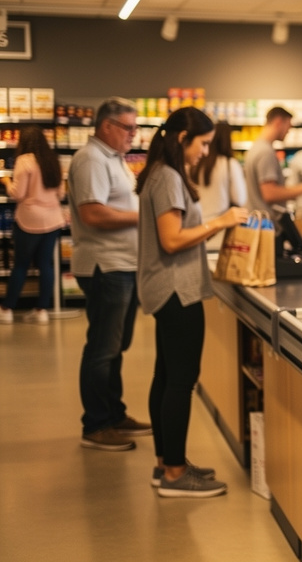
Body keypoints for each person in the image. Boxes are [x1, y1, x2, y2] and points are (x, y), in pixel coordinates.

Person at [136, 107, 248, 497]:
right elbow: (171, 239)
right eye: (202, 143)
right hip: (175, 289)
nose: (205, 151)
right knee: (181, 382)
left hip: (166, 287)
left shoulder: (160, 173)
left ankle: (166, 462)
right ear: (183, 137)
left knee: (165, 376)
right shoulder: (167, 176)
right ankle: (174, 474)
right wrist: (221, 221)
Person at [68, 97, 152, 451]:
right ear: (106, 126)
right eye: (128, 128)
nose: (134, 135)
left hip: (124, 264)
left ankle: (114, 414)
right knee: (103, 348)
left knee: (117, 346)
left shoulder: (114, 159)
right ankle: (96, 425)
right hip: (107, 266)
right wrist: (145, 218)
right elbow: (93, 214)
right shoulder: (90, 160)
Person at [0, 126, 65, 324]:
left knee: (21, 264)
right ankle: (42, 310)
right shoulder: (53, 160)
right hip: (53, 218)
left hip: (29, 220)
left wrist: (6, 181)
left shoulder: (24, 160)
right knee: (46, 264)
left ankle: (7, 309)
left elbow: (18, 194)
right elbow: (61, 194)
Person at [243, 106, 302, 216]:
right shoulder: (265, 152)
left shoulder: (256, 147)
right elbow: (270, 194)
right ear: (279, 122)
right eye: (288, 126)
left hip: (258, 222)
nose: (288, 131)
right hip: (267, 227)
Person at [190, 122, 247, 250]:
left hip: (195, 231)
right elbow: (240, 199)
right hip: (219, 233)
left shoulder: (194, 164)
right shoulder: (229, 164)